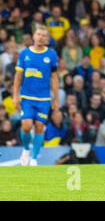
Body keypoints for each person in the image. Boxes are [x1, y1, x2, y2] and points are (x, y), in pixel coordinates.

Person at [13, 25, 59, 166]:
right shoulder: (24, 53)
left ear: (47, 39)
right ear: (33, 36)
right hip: (27, 97)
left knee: (39, 126)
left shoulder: (51, 55)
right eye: (38, 34)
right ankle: (26, 149)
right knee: (26, 126)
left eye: (44, 35)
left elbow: (54, 77)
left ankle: (34, 158)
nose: (41, 37)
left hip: (44, 98)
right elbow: (18, 76)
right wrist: (15, 95)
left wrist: (55, 98)